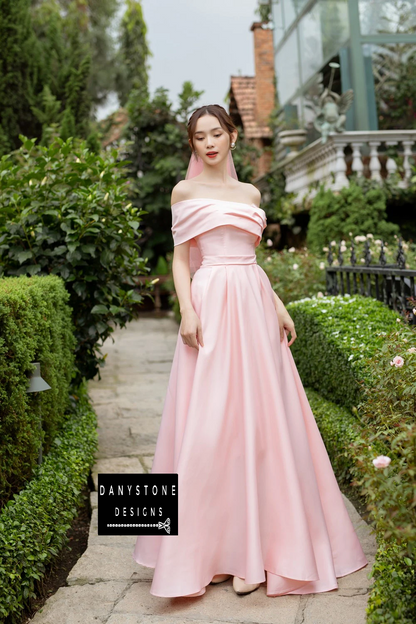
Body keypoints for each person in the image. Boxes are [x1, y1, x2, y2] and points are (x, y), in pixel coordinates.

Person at [132, 104, 368, 598]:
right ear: (193, 145)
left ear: (233, 137)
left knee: (260, 429)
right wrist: (188, 311)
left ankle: (254, 555)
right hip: (212, 306)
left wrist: (278, 305)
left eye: (217, 133)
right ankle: (210, 551)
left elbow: (252, 261)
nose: (210, 142)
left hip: (254, 305)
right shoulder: (185, 191)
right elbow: (181, 260)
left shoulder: (250, 193)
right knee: (210, 428)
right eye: (200, 137)